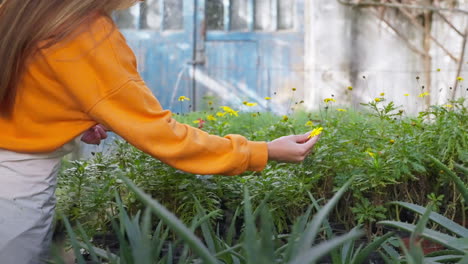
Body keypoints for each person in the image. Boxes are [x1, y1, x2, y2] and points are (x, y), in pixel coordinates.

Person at [0, 0, 321, 263]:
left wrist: (65, 115)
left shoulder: (23, 11)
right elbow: (165, 137)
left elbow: (26, 84)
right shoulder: (85, 34)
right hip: (17, 183)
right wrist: (263, 150)